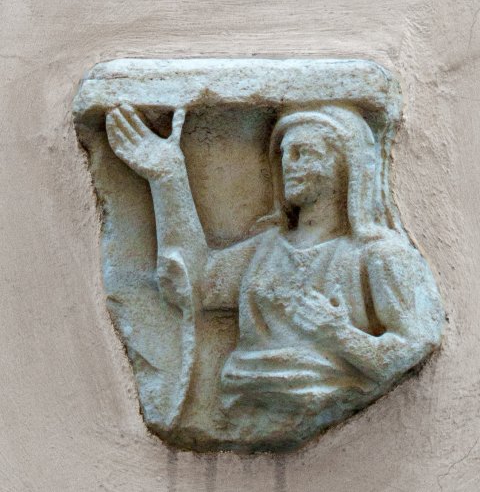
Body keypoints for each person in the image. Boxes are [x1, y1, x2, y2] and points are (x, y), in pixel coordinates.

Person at [106, 103, 443, 450]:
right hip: (244, 399)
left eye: (304, 153)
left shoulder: (377, 255)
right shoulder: (267, 247)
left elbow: (412, 345)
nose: (288, 165)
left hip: (322, 395)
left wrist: (339, 335)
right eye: (284, 154)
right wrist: (168, 177)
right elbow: (195, 284)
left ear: (345, 165)